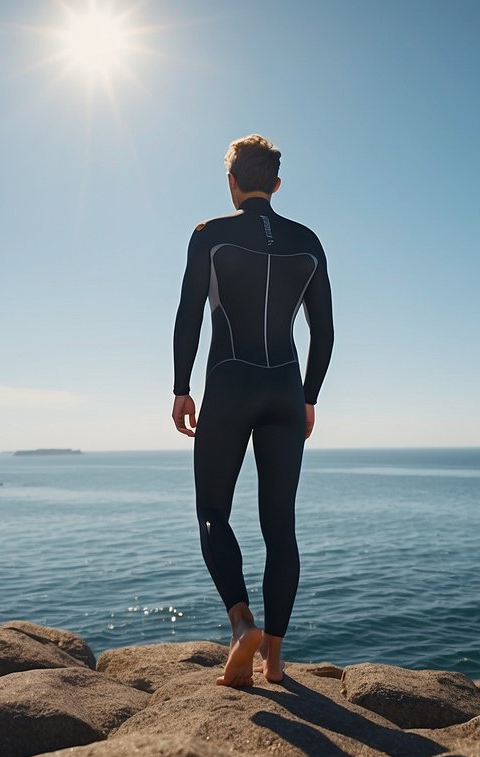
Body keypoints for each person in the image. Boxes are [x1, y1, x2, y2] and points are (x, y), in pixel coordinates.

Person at [172, 134, 334, 687]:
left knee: (213, 513)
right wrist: (309, 397)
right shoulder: (307, 241)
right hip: (286, 389)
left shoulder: (210, 236)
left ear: (232, 182)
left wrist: (180, 387)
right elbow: (325, 331)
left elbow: (189, 313)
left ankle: (242, 623)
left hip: (229, 382)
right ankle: (276, 662)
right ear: (278, 184)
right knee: (280, 526)